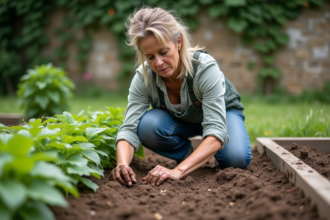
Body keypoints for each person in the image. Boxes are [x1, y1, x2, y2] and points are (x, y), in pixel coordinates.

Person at [109, 7, 252, 187]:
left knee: (236, 159)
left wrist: (177, 172)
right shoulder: (143, 76)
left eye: (163, 52)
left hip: (223, 114)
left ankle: (209, 156)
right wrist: (122, 164)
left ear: (178, 42)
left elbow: (216, 129)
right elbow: (129, 128)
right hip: (181, 121)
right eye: (150, 57)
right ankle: (186, 155)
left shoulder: (204, 68)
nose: (158, 63)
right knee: (147, 126)